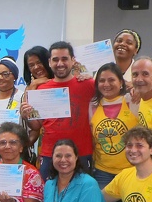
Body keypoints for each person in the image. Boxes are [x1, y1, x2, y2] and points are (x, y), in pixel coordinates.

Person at [22, 41, 96, 180]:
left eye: (64, 59)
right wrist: (27, 116)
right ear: (49, 62)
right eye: (55, 59)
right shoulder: (41, 89)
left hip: (81, 153)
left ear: (73, 60)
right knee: (49, 192)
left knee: (82, 192)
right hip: (50, 154)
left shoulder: (88, 84)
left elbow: (113, 92)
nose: (60, 63)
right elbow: (36, 125)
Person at [89, 62, 139, 202]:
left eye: (111, 80)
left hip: (132, 172)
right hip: (103, 173)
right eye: (102, 80)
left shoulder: (133, 100)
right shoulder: (93, 105)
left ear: (121, 83)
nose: (106, 84)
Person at [21, 139, 106, 202]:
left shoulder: (88, 184)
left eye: (68, 156)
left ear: (76, 157)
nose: (63, 160)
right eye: (58, 156)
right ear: (52, 158)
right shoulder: (49, 184)